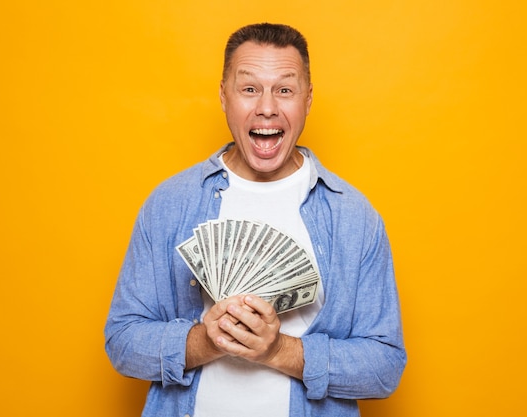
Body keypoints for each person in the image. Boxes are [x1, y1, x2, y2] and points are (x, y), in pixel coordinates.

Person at [105, 22, 406, 417]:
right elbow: (123, 341)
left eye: (285, 89)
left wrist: (279, 350)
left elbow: (384, 367)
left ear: (308, 100)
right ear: (224, 96)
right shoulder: (170, 204)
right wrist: (205, 341)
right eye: (249, 89)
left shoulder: (354, 218)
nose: (267, 107)